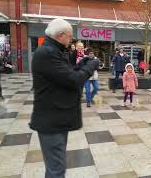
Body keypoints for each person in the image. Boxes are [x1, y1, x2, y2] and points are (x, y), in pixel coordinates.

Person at [29, 18, 99, 178]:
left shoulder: (54, 51)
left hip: (57, 118)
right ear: (60, 35)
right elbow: (73, 80)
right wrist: (91, 66)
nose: (71, 40)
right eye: (69, 36)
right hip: (51, 121)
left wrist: (83, 63)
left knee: (56, 168)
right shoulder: (47, 53)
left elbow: (67, 73)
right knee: (56, 169)